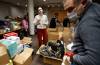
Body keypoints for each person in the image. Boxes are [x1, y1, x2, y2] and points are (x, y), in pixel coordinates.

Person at [62, 0, 100, 65]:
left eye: (70, 9)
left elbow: (94, 60)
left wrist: (72, 57)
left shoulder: (89, 20)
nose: (68, 14)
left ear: (83, 2)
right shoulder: (91, 11)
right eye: (66, 10)